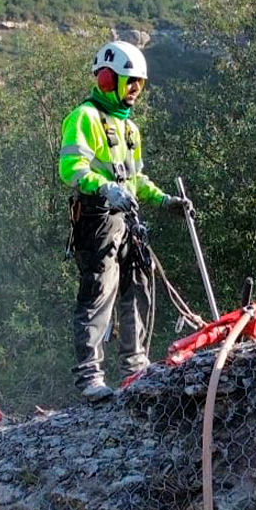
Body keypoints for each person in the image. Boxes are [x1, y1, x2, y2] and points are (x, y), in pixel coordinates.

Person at [59, 39, 189, 400]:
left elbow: (136, 179)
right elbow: (71, 168)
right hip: (97, 218)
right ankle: (89, 378)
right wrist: (105, 189)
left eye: (140, 84)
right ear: (105, 79)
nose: (135, 90)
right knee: (99, 292)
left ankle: (136, 369)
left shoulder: (129, 129)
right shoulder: (84, 117)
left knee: (139, 288)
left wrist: (165, 201)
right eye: (129, 81)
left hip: (128, 219)